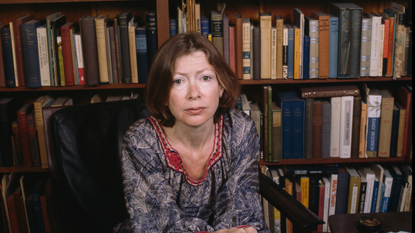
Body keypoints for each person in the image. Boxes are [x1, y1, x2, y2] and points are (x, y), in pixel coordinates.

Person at [114, 33, 269, 233]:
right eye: (178, 81)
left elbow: (241, 204)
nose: (194, 93)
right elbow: (158, 220)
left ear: (221, 85)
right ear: (163, 94)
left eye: (205, 78)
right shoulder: (141, 139)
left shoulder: (240, 128)